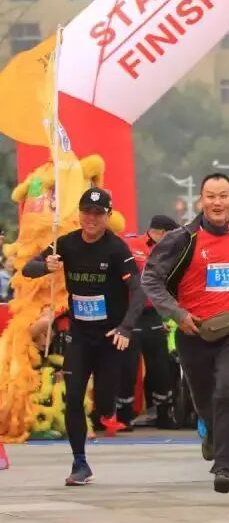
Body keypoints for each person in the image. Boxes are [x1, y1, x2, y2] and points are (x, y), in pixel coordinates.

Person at [142, 173, 229, 493]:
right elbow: (150, 278)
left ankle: (226, 466)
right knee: (205, 400)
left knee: (227, 390)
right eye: (211, 196)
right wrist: (177, 313)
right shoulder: (182, 238)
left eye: (223, 196)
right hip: (193, 332)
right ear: (200, 201)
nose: (217, 203)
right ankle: (213, 435)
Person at [22, 187, 145, 486]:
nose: (92, 218)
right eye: (87, 212)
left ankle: (108, 408)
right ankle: (80, 462)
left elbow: (138, 289)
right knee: (74, 396)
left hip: (110, 337)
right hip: (79, 335)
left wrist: (126, 327)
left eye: (98, 213)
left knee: (103, 404)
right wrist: (45, 266)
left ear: (108, 216)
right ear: (79, 214)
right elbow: (27, 268)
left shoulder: (116, 249)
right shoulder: (66, 243)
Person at [123, 214, 180, 429]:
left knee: (160, 366)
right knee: (128, 366)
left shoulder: (169, 252)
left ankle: (164, 414)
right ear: (163, 233)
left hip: (154, 314)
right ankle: (123, 416)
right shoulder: (129, 244)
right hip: (129, 314)